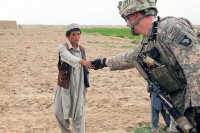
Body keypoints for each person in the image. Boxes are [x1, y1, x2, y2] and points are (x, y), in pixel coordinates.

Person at [91, 0, 200, 132]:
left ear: (134, 15)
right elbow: (129, 58)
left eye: (126, 19)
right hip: (181, 110)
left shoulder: (170, 28)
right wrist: (103, 62)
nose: (126, 25)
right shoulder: (148, 41)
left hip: (193, 107)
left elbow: (196, 67)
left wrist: (198, 108)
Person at [54, 23, 93, 133]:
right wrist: (81, 61)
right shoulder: (63, 48)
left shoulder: (82, 50)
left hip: (79, 85)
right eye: (73, 34)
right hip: (64, 85)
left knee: (78, 114)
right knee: (59, 113)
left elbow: (85, 68)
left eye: (78, 34)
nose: (77, 37)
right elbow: (67, 57)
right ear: (67, 36)